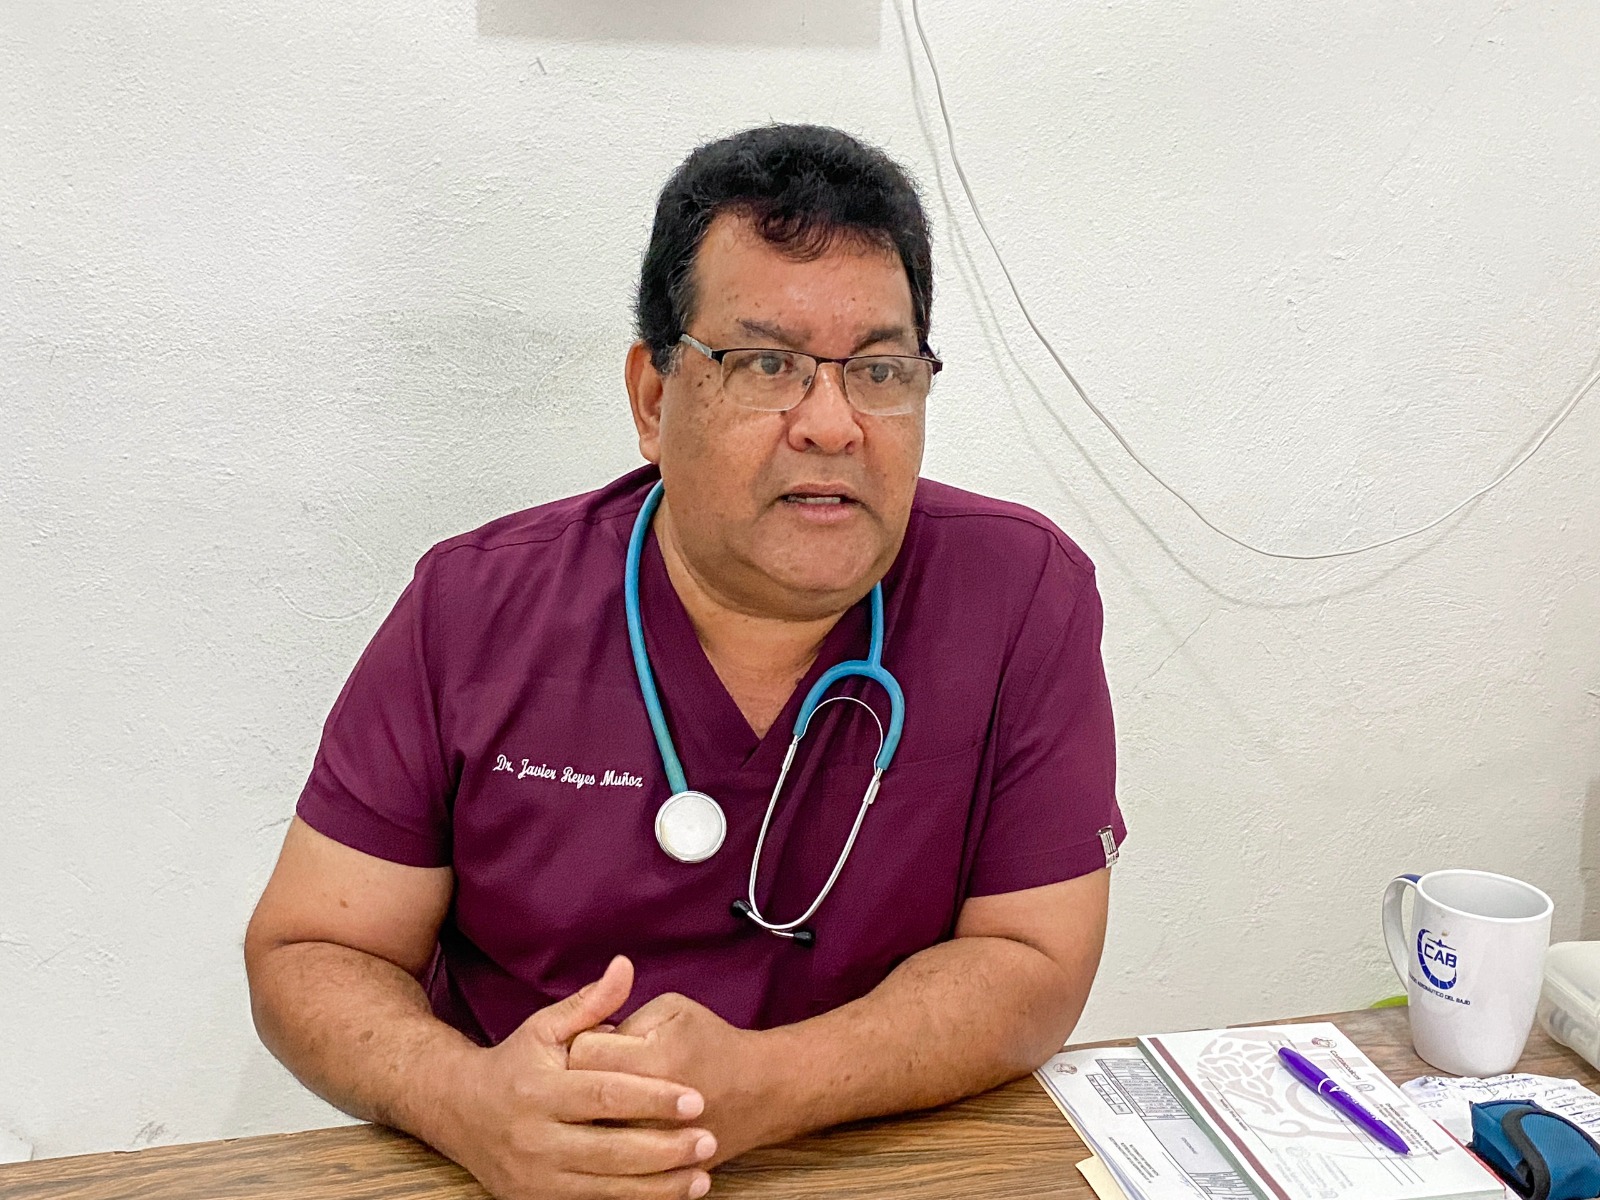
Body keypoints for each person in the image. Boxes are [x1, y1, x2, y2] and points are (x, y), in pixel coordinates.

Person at [245, 123, 1123, 1200]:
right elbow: (310, 952)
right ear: (654, 400)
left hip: (871, 1159)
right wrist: (464, 1099)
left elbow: (1035, 959)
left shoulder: (1019, 593)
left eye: (880, 370)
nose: (834, 424)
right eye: (767, 364)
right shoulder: (473, 607)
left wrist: (770, 1083)